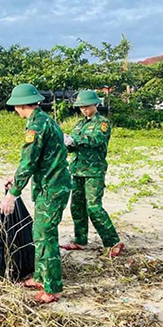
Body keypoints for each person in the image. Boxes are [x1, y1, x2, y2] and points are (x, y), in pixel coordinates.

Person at [0, 84, 71, 304]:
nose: (15, 110)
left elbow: (29, 160)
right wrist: (17, 177)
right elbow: (39, 159)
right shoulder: (45, 120)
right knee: (39, 231)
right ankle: (40, 276)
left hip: (52, 188)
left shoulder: (36, 127)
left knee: (45, 235)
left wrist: (13, 193)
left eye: (15, 106)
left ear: (21, 105)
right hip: (50, 184)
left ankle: (53, 288)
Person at [62, 90, 124, 258]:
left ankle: (113, 242)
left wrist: (77, 140)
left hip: (94, 172)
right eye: (81, 107)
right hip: (77, 171)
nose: (84, 110)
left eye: (86, 106)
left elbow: (97, 139)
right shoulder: (79, 124)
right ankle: (80, 240)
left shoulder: (102, 123)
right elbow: (72, 146)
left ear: (95, 105)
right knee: (77, 207)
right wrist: (66, 143)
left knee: (94, 208)